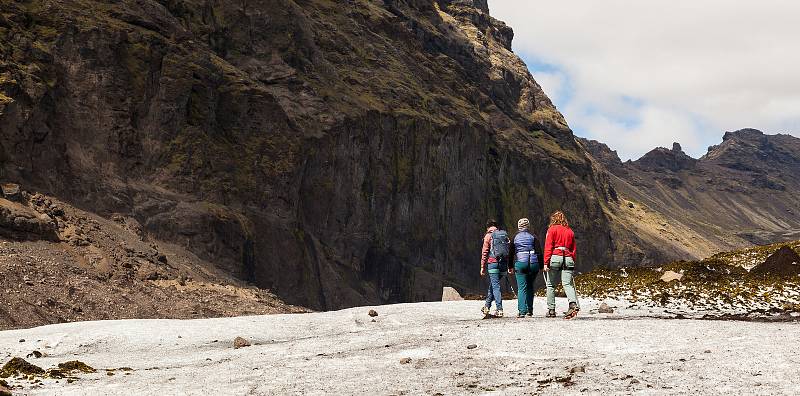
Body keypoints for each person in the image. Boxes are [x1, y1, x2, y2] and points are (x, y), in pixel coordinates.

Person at [543, 211, 580, 319]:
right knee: (567, 284)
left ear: (553, 219)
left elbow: (548, 246)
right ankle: (573, 304)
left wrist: (545, 262)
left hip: (555, 256)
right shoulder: (570, 231)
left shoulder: (552, 229)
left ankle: (551, 310)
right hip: (568, 257)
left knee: (550, 285)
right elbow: (573, 249)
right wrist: (572, 259)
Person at [480, 219, 513, 317]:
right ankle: (487, 306)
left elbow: (484, 253)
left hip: (493, 263)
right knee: (493, 285)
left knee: (495, 286)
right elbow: (509, 249)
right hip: (503, 264)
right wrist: (509, 265)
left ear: (487, 227)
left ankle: (499, 309)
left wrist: (482, 266)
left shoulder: (488, 236)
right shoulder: (504, 235)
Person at [512, 218, 543, 318]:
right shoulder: (533, 236)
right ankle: (530, 310)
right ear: (528, 226)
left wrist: (509, 266)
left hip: (521, 263)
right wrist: (541, 266)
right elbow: (539, 252)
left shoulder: (515, 237)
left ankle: (522, 311)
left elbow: (511, 253)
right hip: (533, 264)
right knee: (530, 286)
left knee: (522, 287)